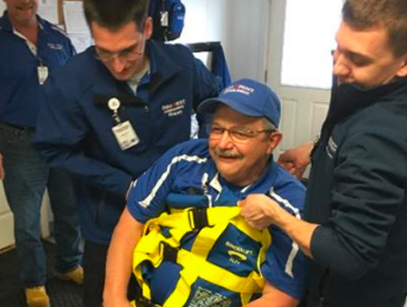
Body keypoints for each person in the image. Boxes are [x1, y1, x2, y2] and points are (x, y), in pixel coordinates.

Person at [31, 0, 222, 306]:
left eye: (128, 51)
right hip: (108, 217)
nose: (118, 65)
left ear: (147, 28)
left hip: (175, 216)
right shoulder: (71, 81)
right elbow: (53, 149)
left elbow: (215, 100)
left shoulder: (181, 64)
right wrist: (123, 185)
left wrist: (210, 151)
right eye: (104, 52)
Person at [240, 0, 407, 306]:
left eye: (357, 59)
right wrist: (318, 149)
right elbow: (348, 117)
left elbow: (349, 253)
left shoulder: (381, 137)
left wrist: (276, 215)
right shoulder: (362, 79)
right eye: (338, 48)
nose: (338, 67)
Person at [103, 78, 307, 307]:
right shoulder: (183, 159)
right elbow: (132, 220)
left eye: (240, 133)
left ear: (272, 141)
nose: (222, 144)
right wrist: (114, 298)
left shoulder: (289, 203)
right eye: (217, 129)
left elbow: (281, 296)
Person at [0, 0, 83, 307]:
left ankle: (69, 264)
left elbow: (77, 87)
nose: (23, 1)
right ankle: (34, 281)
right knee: (28, 219)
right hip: (18, 141)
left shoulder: (58, 38)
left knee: (68, 210)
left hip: (62, 139)